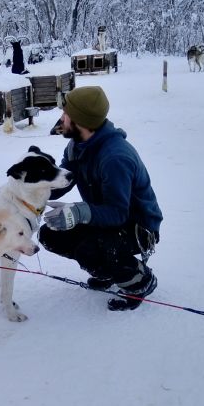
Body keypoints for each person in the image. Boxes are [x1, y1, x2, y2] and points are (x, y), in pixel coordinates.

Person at [40, 86, 163, 311]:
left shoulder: (114, 158)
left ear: (81, 121)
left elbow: (117, 213)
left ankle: (140, 282)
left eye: (66, 115)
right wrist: (26, 193)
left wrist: (79, 212)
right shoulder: (77, 145)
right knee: (50, 234)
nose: (61, 119)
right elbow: (64, 181)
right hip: (105, 216)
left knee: (91, 248)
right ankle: (107, 272)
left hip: (138, 227)